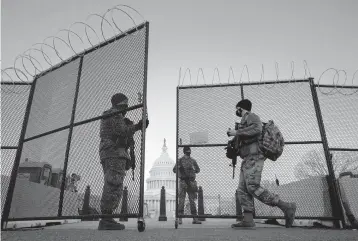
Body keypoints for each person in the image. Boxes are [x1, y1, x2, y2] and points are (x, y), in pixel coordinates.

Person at [227, 99, 296, 229]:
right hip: (247, 158)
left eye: (237, 109)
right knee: (242, 189)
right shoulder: (243, 122)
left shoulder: (251, 116)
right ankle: (247, 220)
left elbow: (257, 129)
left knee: (252, 186)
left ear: (241, 108)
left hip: (255, 156)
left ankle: (286, 207)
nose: (236, 111)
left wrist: (236, 132)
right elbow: (246, 138)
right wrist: (233, 146)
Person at [98, 93, 149, 230]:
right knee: (114, 185)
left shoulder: (110, 114)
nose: (126, 108)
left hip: (108, 152)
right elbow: (121, 131)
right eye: (125, 105)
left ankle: (107, 217)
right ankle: (106, 219)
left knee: (111, 184)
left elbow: (119, 130)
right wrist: (139, 126)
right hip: (113, 152)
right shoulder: (115, 114)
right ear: (121, 104)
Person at [173, 146, 202, 225]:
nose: (189, 152)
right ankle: (192, 218)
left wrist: (182, 174)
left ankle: (181, 219)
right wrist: (190, 172)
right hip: (186, 182)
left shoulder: (181, 160)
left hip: (187, 182)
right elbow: (198, 170)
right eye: (188, 150)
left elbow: (175, 170)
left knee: (185, 201)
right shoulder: (191, 161)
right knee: (188, 201)